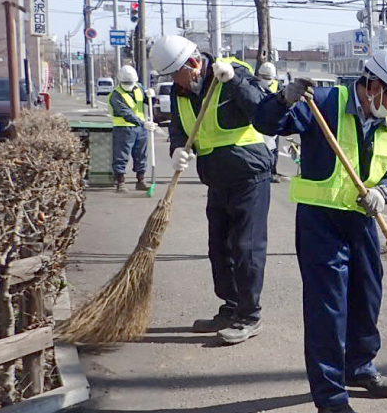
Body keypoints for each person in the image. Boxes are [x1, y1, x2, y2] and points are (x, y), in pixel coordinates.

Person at [254, 47, 387, 413]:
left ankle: (359, 365)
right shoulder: (323, 102)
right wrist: (282, 99)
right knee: (328, 306)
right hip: (320, 222)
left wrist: (386, 193)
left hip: (362, 219)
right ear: (375, 86)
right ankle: (330, 396)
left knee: (367, 294)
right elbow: (265, 123)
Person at [149, 34, 273, 346]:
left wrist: (232, 82)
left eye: (176, 73)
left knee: (246, 248)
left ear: (192, 64)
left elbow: (262, 109)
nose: (174, 81)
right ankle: (230, 308)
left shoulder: (231, 72)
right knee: (219, 249)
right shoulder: (181, 92)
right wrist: (177, 148)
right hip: (216, 178)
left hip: (249, 174)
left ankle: (249, 315)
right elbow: (178, 127)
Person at [108, 64, 157, 192]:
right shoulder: (116, 95)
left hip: (140, 129)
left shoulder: (139, 87)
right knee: (121, 156)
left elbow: (148, 101)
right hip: (123, 128)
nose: (129, 84)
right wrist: (143, 123)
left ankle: (140, 180)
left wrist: (152, 96)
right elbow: (125, 113)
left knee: (141, 155)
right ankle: (120, 182)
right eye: (126, 82)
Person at [255, 62, 284, 183]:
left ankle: (270, 171)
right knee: (269, 148)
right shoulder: (276, 85)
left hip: (268, 121)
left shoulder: (256, 84)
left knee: (270, 148)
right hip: (266, 121)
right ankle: (268, 172)